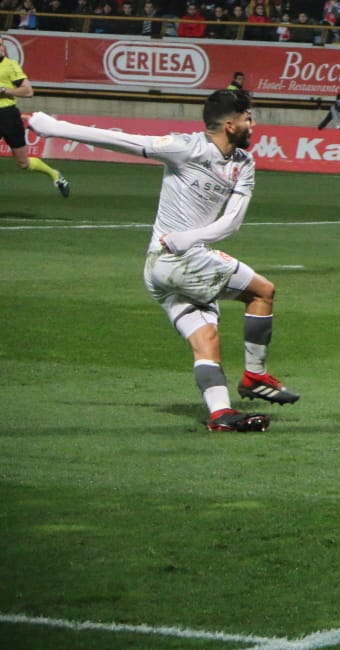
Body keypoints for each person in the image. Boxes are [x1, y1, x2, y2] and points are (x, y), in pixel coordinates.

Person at [28, 91, 298, 432]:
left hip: (164, 266)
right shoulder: (185, 147)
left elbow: (232, 222)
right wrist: (55, 127)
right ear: (230, 125)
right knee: (262, 292)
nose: (253, 124)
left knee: (207, 340)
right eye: (248, 118)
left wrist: (190, 237)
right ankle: (255, 375)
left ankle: (220, 416)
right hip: (177, 262)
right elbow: (121, 141)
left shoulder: (243, 164)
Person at [0, 40, 68, 196]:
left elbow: (28, 91)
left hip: (8, 116)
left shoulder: (10, 65)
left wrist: (4, 90)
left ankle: (54, 174)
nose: (1, 47)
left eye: (1, 44)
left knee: (23, 163)